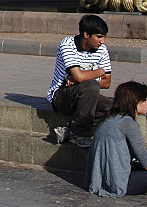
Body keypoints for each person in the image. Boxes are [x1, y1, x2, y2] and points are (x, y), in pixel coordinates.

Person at [48, 14, 113, 148]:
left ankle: (71, 131)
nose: (102, 41)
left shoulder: (102, 50)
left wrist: (83, 79)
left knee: (112, 107)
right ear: (86, 34)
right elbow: (79, 77)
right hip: (62, 95)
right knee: (90, 85)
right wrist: (99, 72)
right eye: (99, 37)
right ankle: (80, 135)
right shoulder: (68, 44)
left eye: (104, 37)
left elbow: (107, 83)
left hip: (86, 94)